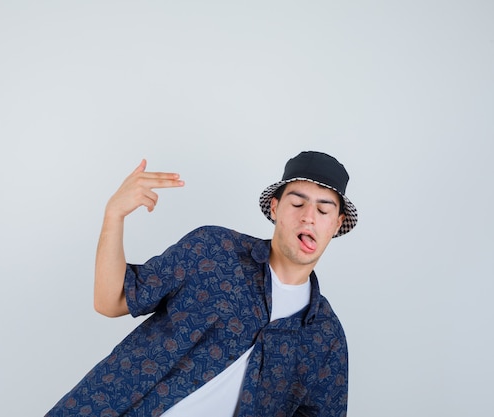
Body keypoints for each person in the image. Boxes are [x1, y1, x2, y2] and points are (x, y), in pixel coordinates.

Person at [45, 151, 358, 417]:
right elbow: (109, 300)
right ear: (275, 208)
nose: (309, 217)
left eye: (323, 209)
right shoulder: (213, 249)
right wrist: (114, 215)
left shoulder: (326, 339)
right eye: (297, 203)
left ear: (337, 223)